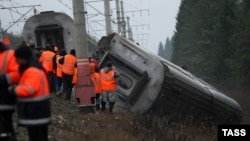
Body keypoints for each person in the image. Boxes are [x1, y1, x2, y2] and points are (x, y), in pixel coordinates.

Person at [8, 45, 51, 141]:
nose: (16, 61)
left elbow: (29, 89)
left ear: (23, 58)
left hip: (35, 111)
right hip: (38, 111)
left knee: (37, 137)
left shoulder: (32, 71)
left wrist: (14, 90)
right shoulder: (35, 68)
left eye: (17, 58)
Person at [0, 41, 20, 141]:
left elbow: (16, 75)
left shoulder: (10, 54)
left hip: (5, 99)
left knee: (5, 128)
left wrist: (2, 79)